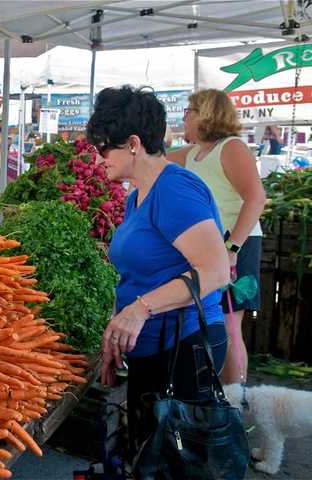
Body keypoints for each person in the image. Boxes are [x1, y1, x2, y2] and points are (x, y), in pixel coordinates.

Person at [87, 86, 230, 454]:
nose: (98, 157)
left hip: (184, 346)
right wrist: (116, 332)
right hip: (153, 348)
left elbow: (215, 272)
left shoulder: (175, 190)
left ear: (133, 143)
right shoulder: (137, 195)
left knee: (178, 460)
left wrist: (140, 310)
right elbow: (139, 275)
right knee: (148, 455)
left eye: (104, 147)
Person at [168, 89, 266, 385]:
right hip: (214, 247)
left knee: (229, 322)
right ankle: (218, 396)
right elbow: (155, 161)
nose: (184, 117)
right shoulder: (195, 153)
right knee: (212, 321)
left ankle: (235, 401)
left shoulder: (231, 147)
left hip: (238, 243)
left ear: (206, 114)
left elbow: (256, 199)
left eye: (189, 111)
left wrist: (232, 247)